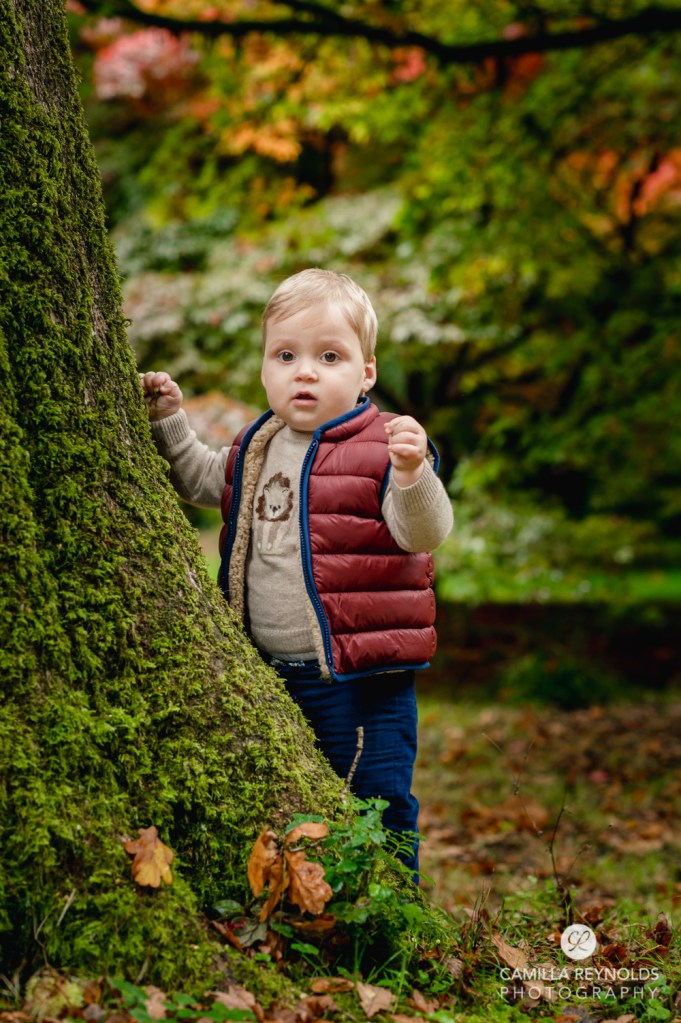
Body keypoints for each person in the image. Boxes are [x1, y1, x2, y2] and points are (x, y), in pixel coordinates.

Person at [140, 268, 453, 875]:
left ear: (366, 373)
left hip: (361, 679)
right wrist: (168, 422)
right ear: (264, 369)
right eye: (286, 355)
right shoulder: (259, 443)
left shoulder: (384, 445)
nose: (304, 371)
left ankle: (394, 916)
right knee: (290, 804)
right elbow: (208, 480)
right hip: (270, 670)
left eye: (329, 356)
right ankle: (308, 908)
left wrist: (414, 474)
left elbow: (423, 532)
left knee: (377, 802)